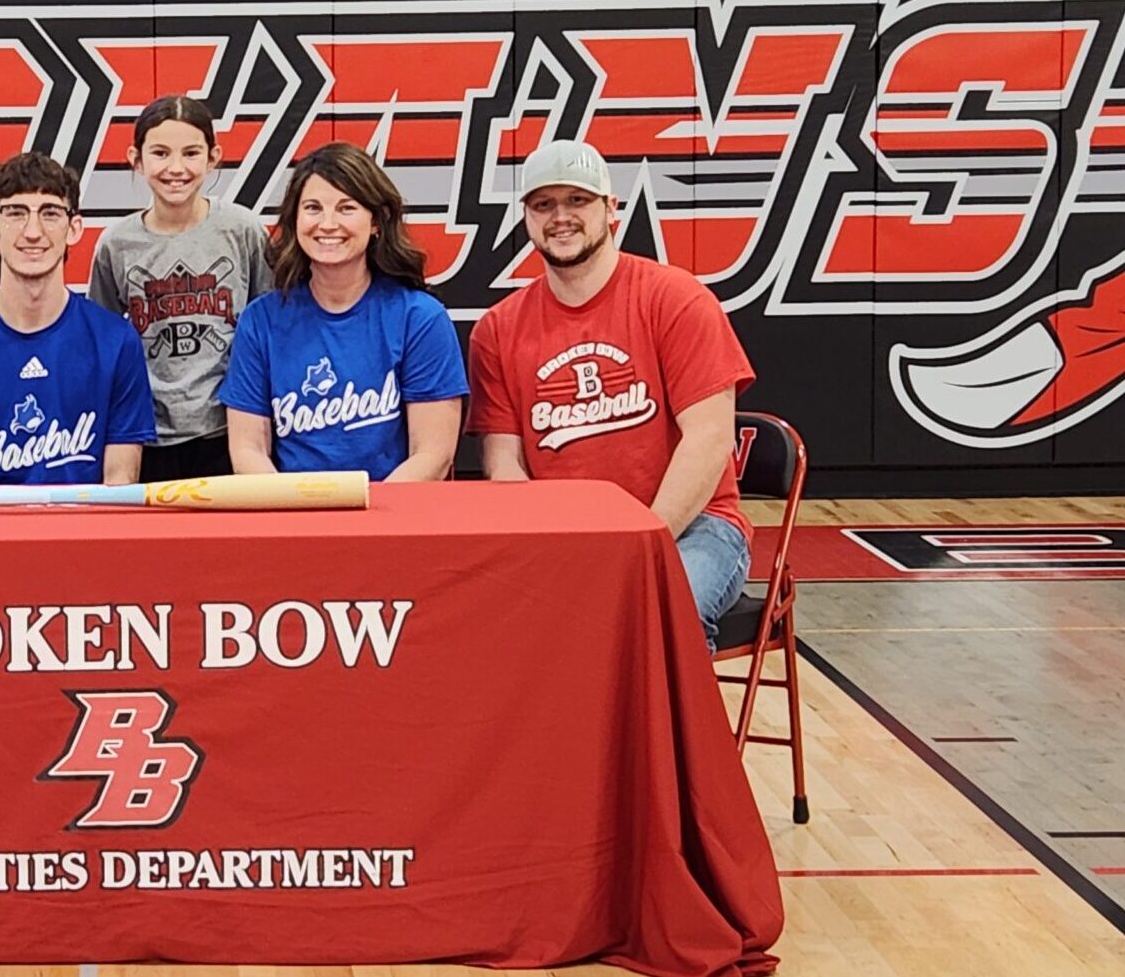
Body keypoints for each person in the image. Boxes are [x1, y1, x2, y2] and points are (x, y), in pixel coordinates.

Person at [466, 139, 756, 651]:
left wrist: (641, 539)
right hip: (567, 535)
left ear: (611, 209)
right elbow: (503, 464)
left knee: (660, 613)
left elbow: (709, 441)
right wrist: (556, 543)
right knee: (493, 621)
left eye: (577, 201)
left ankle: (675, 736)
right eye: (544, 204)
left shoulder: (676, 299)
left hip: (692, 528)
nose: (561, 217)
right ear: (527, 218)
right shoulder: (498, 329)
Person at [215, 142, 467, 480]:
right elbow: (247, 450)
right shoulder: (260, 321)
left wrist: (370, 523)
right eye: (313, 208)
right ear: (295, 219)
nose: (328, 224)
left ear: (377, 221)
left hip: (392, 518)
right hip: (294, 517)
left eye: (346, 208)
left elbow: (433, 455)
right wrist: (289, 513)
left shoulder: (419, 318)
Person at [0, 152, 155, 487]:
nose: (32, 231)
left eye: (50, 213)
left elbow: (120, 480)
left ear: (74, 228)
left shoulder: (115, 340)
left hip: (81, 533)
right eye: (15, 213)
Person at [88, 95, 272, 480]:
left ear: (213, 157)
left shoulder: (243, 230)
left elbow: (270, 328)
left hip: (228, 431)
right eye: (160, 153)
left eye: (191, 153)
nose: (176, 168)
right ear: (136, 159)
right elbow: (102, 344)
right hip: (147, 434)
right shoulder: (116, 244)